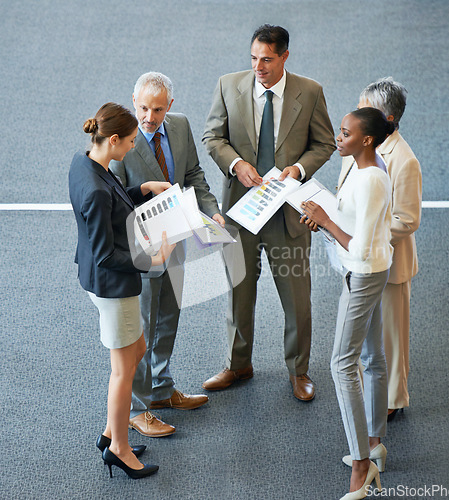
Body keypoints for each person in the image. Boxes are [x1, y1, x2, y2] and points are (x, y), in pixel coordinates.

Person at [202, 24, 336, 401]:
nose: (258, 67)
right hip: (241, 211)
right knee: (237, 292)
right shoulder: (229, 85)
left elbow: (324, 143)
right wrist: (236, 165)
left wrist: (299, 170)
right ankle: (238, 365)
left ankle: (299, 371)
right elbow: (213, 137)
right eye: (253, 58)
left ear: (284, 57)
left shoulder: (309, 92)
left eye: (267, 60)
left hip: (286, 214)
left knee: (297, 298)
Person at [110, 72, 224, 437]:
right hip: (142, 251)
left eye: (157, 109)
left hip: (177, 241)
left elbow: (193, 174)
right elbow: (114, 197)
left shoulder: (180, 126)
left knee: (168, 318)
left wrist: (211, 209)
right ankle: (138, 409)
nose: (148, 117)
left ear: (169, 107)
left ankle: (160, 390)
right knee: (139, 331)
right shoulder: (122, 140)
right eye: (143, 107)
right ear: (133, 101)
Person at [69, 102, 176, 478]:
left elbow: (114, 198)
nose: (133, 147)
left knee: (137, 351)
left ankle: (109, 432)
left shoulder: (85, 163)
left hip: (104, 284)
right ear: (113, 139)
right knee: (123, 369)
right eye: (130, 141)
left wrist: (144, 188)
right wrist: (152, 259)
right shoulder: (95, 189)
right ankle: (119, 447)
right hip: (113, 288)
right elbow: (105, 256)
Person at [301, 108, 394, 499]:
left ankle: (362, 464)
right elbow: (354, 223)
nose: (338, 139)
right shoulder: (364, 166)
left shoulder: (372, 179)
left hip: (364, 274)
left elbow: (360, 243)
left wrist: (324, 220)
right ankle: (374, 444)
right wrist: (324, 217)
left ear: (367, 140)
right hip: (368, 270)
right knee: (371, 356)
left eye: (345, 134)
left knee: (342, 364)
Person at [338, 77, 422, 420]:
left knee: (391, 335)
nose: (356, 114)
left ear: (385, 119)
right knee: (370, 338)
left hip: (386, 262)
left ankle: (392, 401)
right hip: (357, 255)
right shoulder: (361, 142)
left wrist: (364, 234)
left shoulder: (404, 160)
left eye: (364, 108)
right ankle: (372, 394)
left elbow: (407, 219)